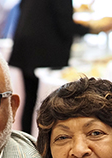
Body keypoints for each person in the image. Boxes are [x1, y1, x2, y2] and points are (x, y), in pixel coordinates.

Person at [8, 0, 101, 134]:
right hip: (44, 52)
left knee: (30, 99)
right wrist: (93, 28)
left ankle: (27, 140)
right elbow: (66, 26)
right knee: (51, 104)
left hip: (26, 45)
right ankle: (45, 145)